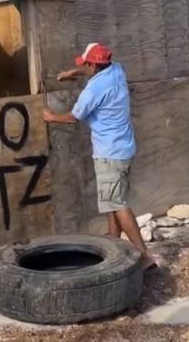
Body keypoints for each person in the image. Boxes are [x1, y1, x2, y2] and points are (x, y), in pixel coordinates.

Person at [42, 43, 156, 270]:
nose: (82, 66)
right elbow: (98, 68)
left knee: (118, 204)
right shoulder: (117, 71)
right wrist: (75, 72)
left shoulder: (94, 89)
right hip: (124, 149)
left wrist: (51, 116)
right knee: (111, 203)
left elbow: (74, 117)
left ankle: (145, 257)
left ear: (93, 65)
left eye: (85, 64)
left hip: (109, 153)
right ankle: (113, 246)